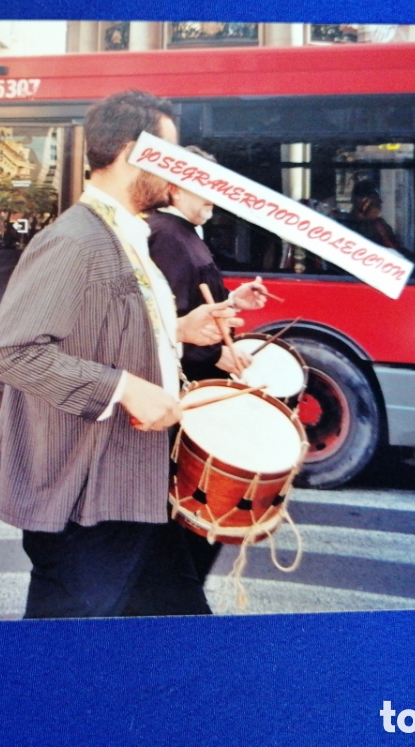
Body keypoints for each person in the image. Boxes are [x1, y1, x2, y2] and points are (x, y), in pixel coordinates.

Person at [0, 90, 242, 619]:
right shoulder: (77, 240)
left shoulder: (126, 235)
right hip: (88, 497)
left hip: (130, 482)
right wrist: (124, 388)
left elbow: (99, 326)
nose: (177, 173)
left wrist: (179, 330)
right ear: (130, 153)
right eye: (169, 157)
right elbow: (10, 352)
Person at [145, 150, 272, 583]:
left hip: (194, 393)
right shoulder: (168, 237)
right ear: (174, 186)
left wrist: (233, 300)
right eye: (205, 184)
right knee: (191, 531)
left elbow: (190, 306)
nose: (214, 195)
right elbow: (165, 323)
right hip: (188, 397)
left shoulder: (179, 232)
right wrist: (215, 354)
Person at [344, 179, 406, 255]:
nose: (380, 202)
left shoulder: (382, 226)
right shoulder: (345, 226)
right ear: (361, 201)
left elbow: (397, 251)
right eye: (374, 198)